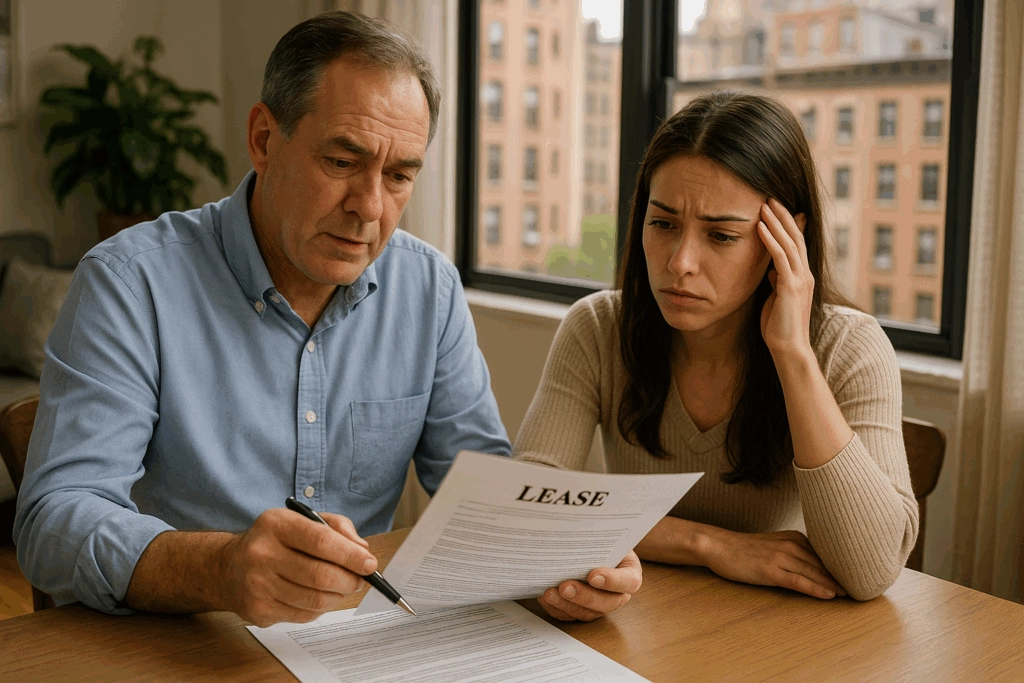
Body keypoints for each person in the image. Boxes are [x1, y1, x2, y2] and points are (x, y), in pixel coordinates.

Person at [15, 11, 637, 626]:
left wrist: (566, 558)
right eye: (342, 162)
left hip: (362, 647)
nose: (370, 207)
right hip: (181, 644)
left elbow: (481, 500)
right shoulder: (130, 283)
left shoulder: (428, 288)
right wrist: (221, 568)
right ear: (263, 139)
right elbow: (54, 522)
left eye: (398, 176)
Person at [514, 91, 918, 605]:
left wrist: (792, 352)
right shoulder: (598, 327)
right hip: (648, 627)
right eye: (662, 224)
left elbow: (872, 570)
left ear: (786, 240)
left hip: (786, 641)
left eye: (722, 236)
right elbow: (525, 513)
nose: (680, 262)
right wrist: (709, 545)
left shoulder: (850, 347)